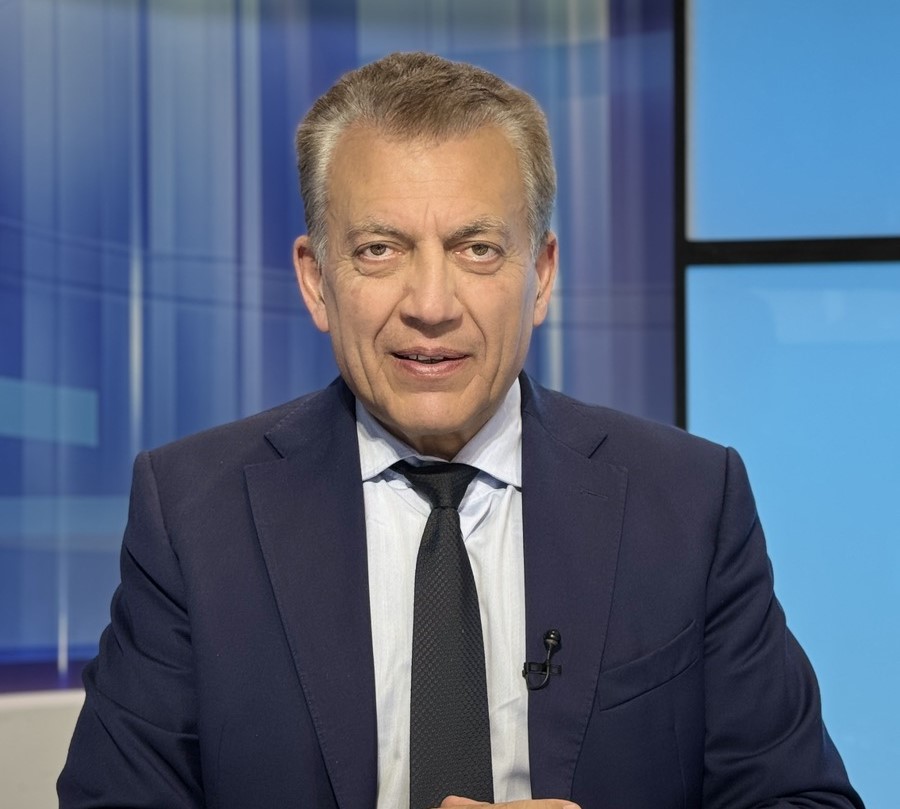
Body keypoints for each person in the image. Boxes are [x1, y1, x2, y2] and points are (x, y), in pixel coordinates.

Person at [58, 52, 863, 809]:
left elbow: (804, 797)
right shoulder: (193, 515)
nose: (432, 304)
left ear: (540, 274)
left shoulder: (689, 503)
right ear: (316, 280)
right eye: (380, 249)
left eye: (477, 249)